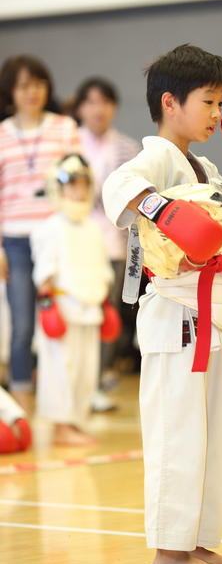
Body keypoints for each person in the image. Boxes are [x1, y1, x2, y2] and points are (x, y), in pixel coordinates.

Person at [102, 44, 222, 564]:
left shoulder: (200, 164)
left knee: (212, 438)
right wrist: (166, 211)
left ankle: (198, 542)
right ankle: (168, 552)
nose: (217, 114)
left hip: (206, 314)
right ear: (170, 102)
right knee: (176, 435)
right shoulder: (155, 156)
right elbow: (119, 186)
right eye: (208, 101)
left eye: (221, 102)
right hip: (173, 314)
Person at [0, 55, 81, 414]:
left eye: (37, 83)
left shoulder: (65, 128)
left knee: (62, 321)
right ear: (10, 91)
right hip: (14, 241)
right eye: (22, 85)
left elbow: (79, 183)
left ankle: (62, 408)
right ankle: (22, 407)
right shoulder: (1, 134)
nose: (30, 92)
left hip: (57, 239)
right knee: (21, 327)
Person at [31, 154, 113, 445]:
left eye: (82, 185)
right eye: (71, 186)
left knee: (85, 368)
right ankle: (60, 426)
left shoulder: (93, 227)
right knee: (60, 368)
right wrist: (47, 306)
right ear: (57, 188)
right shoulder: (50, 227)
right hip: (63, 307)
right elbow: (44, 271)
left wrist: (105, 303)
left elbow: (102, 268)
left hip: (89, 307)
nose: (77, 192)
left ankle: (76, 420)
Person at [73, 77, 140, 411]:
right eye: (91, 102)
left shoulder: (128, 148)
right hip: (75, 246)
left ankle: (99, 380)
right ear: (80, 107)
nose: (98, 109)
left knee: (106, 315)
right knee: (74, 316)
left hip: (114, 245)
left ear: (113, 107)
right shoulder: (69, 144)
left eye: (105, 102)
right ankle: (72, 385)